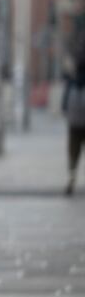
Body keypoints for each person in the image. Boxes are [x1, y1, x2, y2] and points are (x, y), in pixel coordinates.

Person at [62, 32, 85, 196]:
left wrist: (65, 110)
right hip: (76, 117)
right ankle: (71, 178)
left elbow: (65, 99)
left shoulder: (74, 78)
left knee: (73, 152)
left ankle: (71, 178)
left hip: (75, 120)